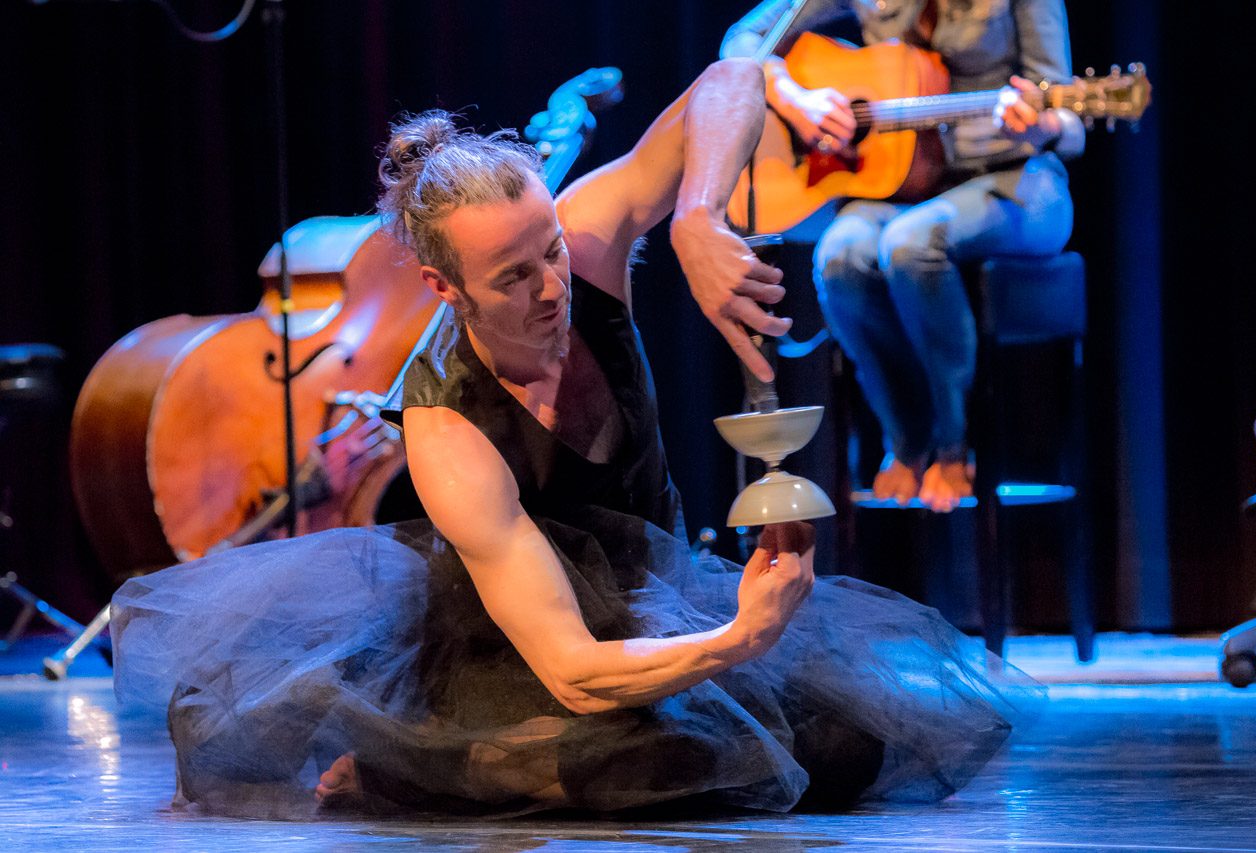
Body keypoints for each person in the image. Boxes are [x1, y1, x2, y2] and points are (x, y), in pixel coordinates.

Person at [111, 57, 1038, 818]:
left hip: (655, 596)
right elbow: (574, 670)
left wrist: (697, 214)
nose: (552, 287)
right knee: (656, 765)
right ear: (445, 289)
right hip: (515, 647)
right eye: (513, 277)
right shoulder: (449, 432)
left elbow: (738, 78)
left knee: (844, 745)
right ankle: (412, 760)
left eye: (550, 249)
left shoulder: (585, 246)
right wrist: (744, 637)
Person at [722, 0, 1084, 512]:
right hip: (905, 187)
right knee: (839, 256)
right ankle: (907, 439)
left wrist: (1042, 127)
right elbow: (743, 40)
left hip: (1015, 183)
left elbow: (1069, 118)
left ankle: (957, 446)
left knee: (911, 243)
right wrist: (795, 98)